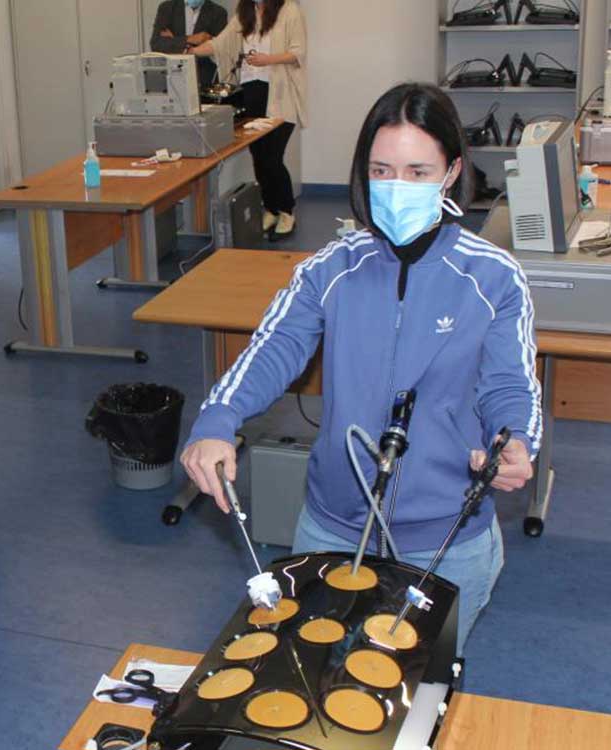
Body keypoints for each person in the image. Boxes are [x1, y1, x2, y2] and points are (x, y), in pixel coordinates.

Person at [179, 83, 541, 652]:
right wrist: (217, 420)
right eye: (381, 170)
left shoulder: (493, 277)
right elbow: (275, 347)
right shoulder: (331, 269)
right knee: (317, 681)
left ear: (451, 172)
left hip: (444, 539)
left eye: (418, 171)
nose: (397, 187)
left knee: (418, 700)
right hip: (331, 526)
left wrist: (514, 441)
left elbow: (510, 384)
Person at [190, 0, 307, 241]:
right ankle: (271, 209)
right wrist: (188, 52)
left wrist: (269, 59)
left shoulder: (289, 10)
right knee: (259, 156)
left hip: (279, 93)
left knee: (273, 157)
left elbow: (298, 52)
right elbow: (220, 43)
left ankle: (286, 211)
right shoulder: (244, 12)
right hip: (250, 91)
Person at [150, 0, 231, 90]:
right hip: (172, 79)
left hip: (204, 83)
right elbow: (156, 44)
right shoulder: (167, 8)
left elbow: (219, 50)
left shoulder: (218, 13)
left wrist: (174, 40)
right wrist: (190, 39)